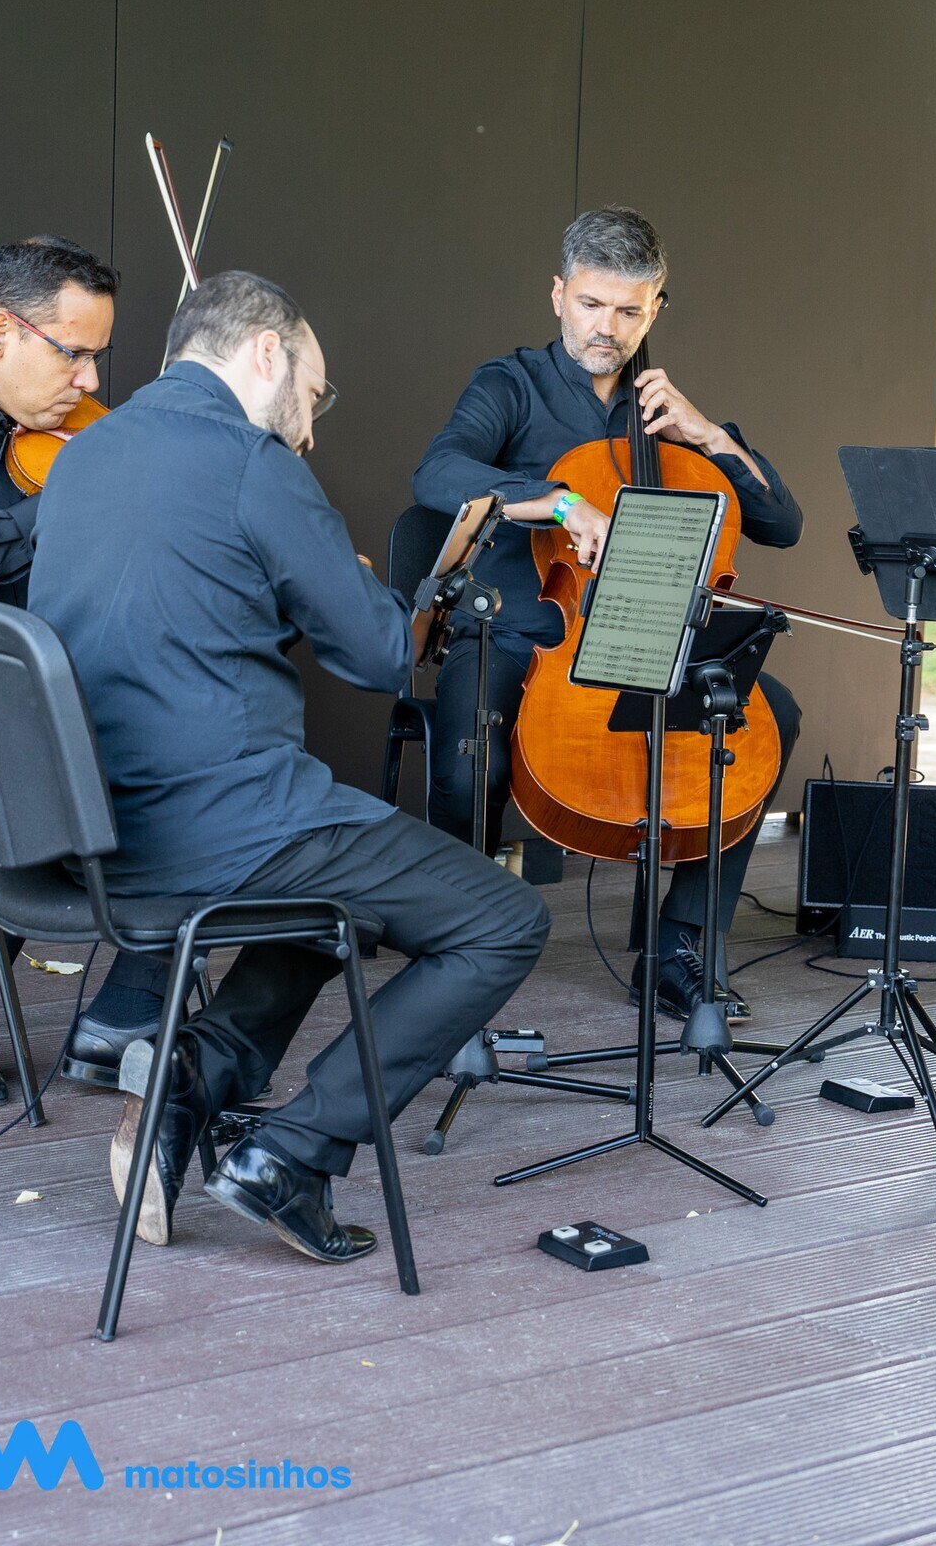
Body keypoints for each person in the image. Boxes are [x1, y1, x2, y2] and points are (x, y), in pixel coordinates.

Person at [30, 271, 549, 1260]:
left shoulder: (85, 453)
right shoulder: (253, 462)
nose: (308, 429)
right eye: (311, 395)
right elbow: (381, 656)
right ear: (265, 352)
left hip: (89, 830)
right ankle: (292, 1152)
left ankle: (190, 1078)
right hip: (219, 827)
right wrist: (371, 590)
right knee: (504, 919)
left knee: (339, 898)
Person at [415, 206, 802, 1021]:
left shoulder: (667, 415)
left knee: (765, 717)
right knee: (466, 758)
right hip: (515, 631)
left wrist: (713, 438)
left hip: (648, 638)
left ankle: (680, 946)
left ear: (655, 309)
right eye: (592, 304)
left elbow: (781, 522)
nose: (608, 328)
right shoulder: (511, 384)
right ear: (559, 294)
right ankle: (454, 943)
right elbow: (438, 472)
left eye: (630, 311)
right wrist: (558, 502)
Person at [0, 236, 172, 1107]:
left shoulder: (74, 433)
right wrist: (53, 510)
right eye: (74, 354)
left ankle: (128, 1004)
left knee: (181, 740)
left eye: (97, 357)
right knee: (54, 756)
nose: (90, 381)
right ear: (1, 332)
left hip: (38, 684)